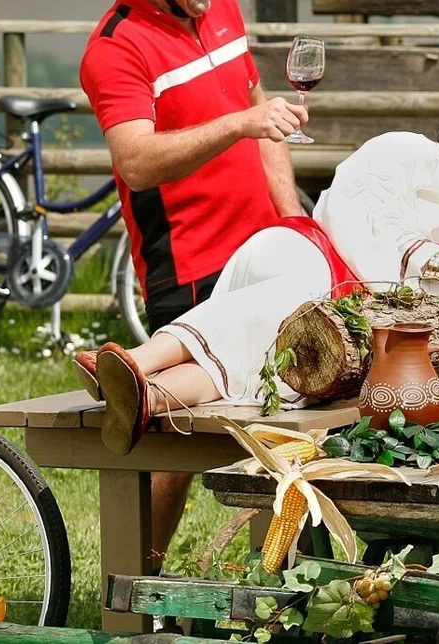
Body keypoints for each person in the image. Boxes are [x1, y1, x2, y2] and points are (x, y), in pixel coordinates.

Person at [83, 62, 439, 453]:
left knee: (302, 324)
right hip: (325, 263)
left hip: (373, 325)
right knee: (302, 289)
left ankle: (145, 390)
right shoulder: (407, 155)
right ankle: (141, 364)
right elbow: (359, 219)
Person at [77, 0, 307, 577]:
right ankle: (136, 588)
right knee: (177, 446)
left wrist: (291, 220)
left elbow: (264, 118)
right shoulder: (115, 47)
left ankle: (274, 584)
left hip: (263, 248)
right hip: (189, 263)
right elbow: (135, 163)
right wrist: (237, 125)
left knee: (281, 409)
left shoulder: (221, 7)